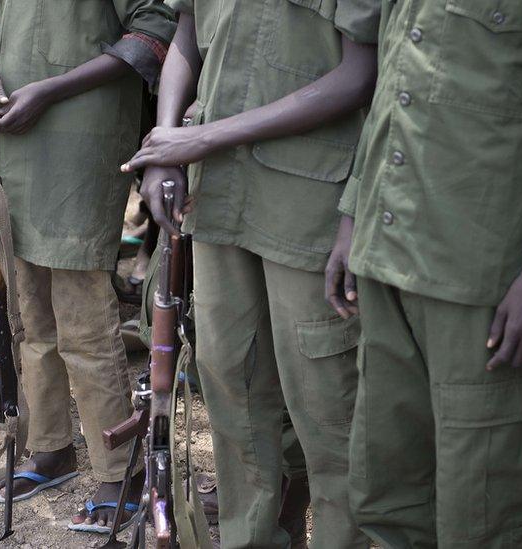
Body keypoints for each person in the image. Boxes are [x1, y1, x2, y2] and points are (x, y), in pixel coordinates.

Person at [122, 1, 380, 546]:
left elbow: (360, 74)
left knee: (328, 410)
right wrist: (165, 142)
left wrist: (202, 139)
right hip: (218, 199)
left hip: (309, 204)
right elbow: (186, 35)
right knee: (231, 390)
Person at [325, 1, 522, 546]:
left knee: (480, 512)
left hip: (484, 279)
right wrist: (353, 212)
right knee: (387, 495)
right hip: (386, 253)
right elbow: (394, 84)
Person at [0, 0, 176, 533]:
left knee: (83, 319)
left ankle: (119, 471)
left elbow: (152, 29)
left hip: (81, 137)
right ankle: (50, 448)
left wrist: (50, 90)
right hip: (14, 139)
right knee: (27, 310)